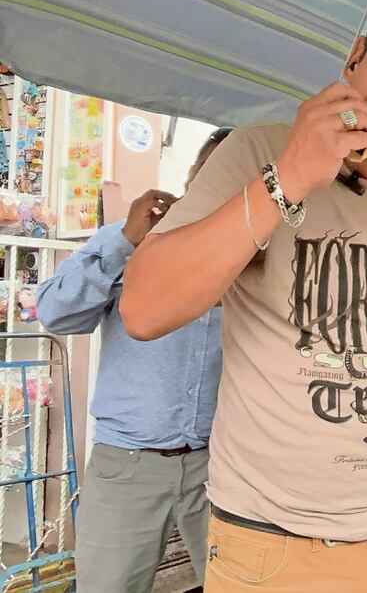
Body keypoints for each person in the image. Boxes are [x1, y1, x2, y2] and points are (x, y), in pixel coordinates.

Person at [120, 0, 367, 591]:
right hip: (275, 541)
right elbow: (143, 309)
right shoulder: (260, 152)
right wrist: (291, 175)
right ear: (354, 58)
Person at [37, 128, 230, 593]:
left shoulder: (254, 254)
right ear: (192, 176)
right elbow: (55, 312)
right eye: (212, 173)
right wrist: (125, 242)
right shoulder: (131, 240)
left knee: (235, 584)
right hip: (127, 463)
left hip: (221, 464)